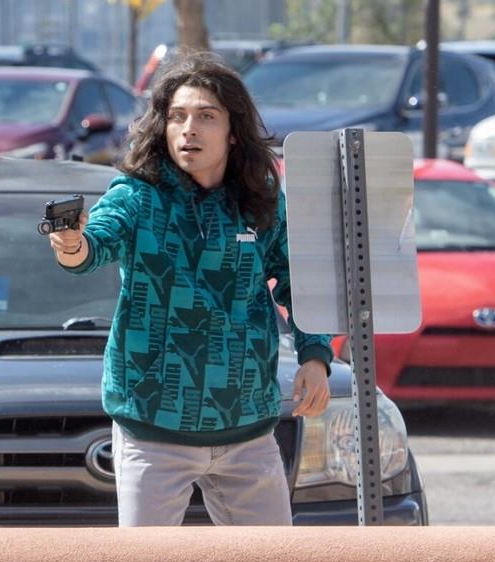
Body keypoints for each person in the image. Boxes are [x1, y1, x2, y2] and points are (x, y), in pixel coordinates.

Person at [45, 52, 332, 527]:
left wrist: (315, 356)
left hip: (248, 429)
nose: (189, 129)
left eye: (206, 116)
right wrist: (70, 243)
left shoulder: (259, 198)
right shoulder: (136, 195)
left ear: (233, 131)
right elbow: (91, 249)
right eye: (177, 117)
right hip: (152, 429)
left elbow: (296, 281)